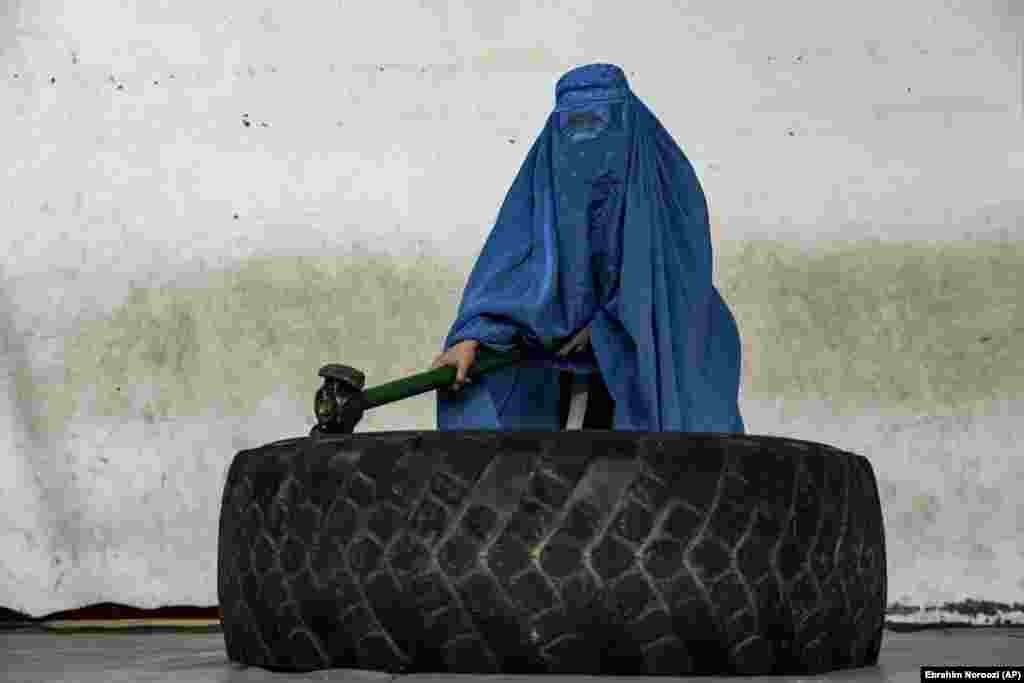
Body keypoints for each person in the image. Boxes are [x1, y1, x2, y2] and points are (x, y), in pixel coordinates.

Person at [430, 63, 745, 433]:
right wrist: (472, 339)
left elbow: (665, 295)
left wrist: (609, 328)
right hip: (555, 401)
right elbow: (506, 280)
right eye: (574, 129)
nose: (587, 148)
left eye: (600, 126)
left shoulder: (665, 210)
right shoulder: (538, 199)